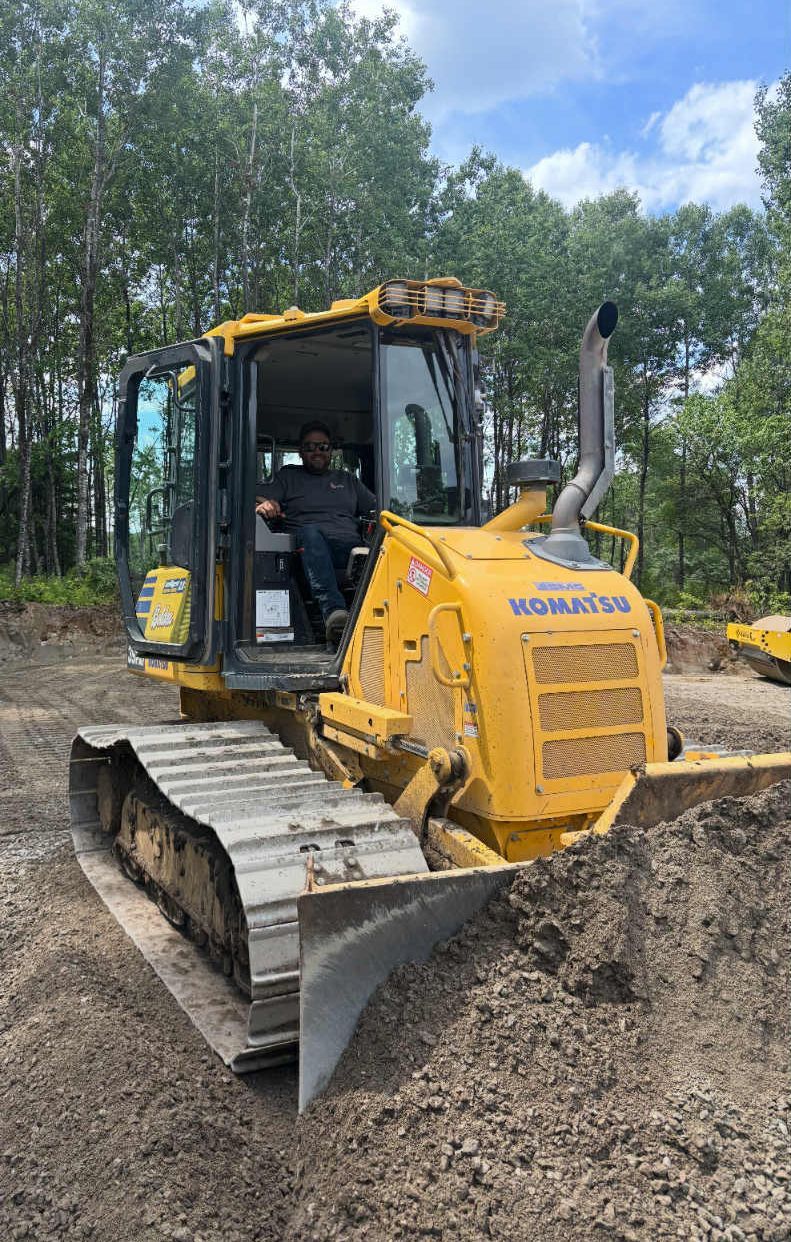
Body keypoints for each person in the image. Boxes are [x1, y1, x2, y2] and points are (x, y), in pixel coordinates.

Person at [256, 421, 377, 648]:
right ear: (300, 451)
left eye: (323, 446)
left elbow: (377, 509)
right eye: (310, 447)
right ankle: (335, 615)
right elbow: (258, 498)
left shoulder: (348, 480)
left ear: (331, 450)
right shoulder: (288, 477)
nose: (317, 452)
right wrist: (265, 504)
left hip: (350, 549)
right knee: (311, 533)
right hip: (307, 550)